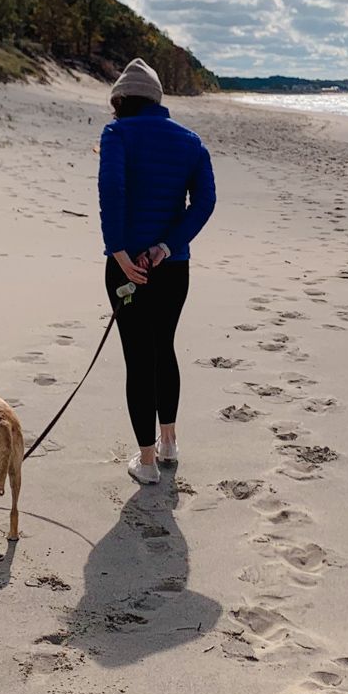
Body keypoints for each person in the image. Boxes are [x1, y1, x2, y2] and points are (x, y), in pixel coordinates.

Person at [98, 58, 216, 485]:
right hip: (173, 267)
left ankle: (146, 462)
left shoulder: (116, 133)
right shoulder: (190, 142)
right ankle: (168, 443)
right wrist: (168, 246)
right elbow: (203, 204)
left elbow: (113, 190)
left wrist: (120, 251)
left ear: (121, 99)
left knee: (138, 357)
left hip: (128, 265)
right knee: (163, 348)